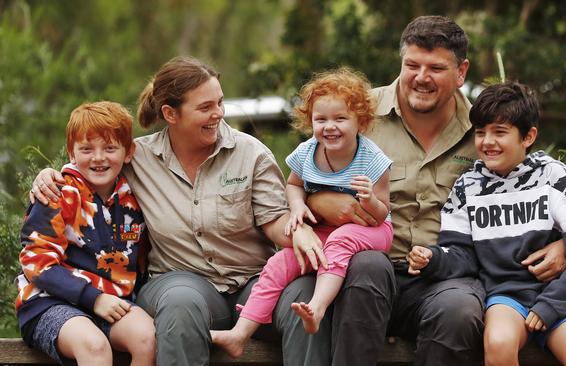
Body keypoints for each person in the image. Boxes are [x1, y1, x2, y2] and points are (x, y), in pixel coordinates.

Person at [29, 56, 329, 366]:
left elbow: (275, 220)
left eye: (220, 103)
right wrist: (51, 175)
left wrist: (300, 231)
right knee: (180, 302)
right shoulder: (139, 158)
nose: (218, 115)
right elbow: (94, 164)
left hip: (253, 286)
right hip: (178, 283)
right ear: (171, 114)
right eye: (205, 108)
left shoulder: (251, 153)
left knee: (303, 296)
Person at [306, 15, 566, 365]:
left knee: (459, 309)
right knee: (367, 267)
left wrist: (565, 243)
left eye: (436, 68)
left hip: (447, 275)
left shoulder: (484, 131)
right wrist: (319, 199)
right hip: (368, 271)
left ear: (461, 72)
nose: (421, 78)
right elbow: (303, 177)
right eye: (412, 64)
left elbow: (535, 188)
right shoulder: (355, 113)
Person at [408, 82, 566, 366]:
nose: (488, 142)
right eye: (480, 133)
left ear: (528, 136)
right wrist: (433, 259)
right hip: (506, 297)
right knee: (498, 342)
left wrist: (550, 305)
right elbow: (462, 256)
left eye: (500, 132)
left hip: (563, 302)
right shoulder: (468, 187)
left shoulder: (556, 178)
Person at [211, 68, 393, 357]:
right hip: (324, 231)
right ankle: (240, 333)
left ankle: (317, 307)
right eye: (321, 119)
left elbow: (382, 214)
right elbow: (293, 185)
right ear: (310, 120)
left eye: (340, 119)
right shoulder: (307, 152)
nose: (329, 127)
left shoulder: (372, 159)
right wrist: (297, 207)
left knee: (340, 241)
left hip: (371, 231)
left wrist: (370, 199)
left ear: (361, 120)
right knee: (279, 262)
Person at [15, 101, 156, 366]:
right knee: (94, 347)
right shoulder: (56, 194)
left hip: (112, 302)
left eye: (110, 148)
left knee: (147, 338)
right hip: (50, 303)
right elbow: (36, 262)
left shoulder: (136, 198)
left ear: (129, 152)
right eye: (86, 149)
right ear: (71, 153)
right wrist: (94, 298)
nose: (99, 157)